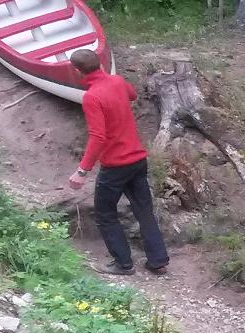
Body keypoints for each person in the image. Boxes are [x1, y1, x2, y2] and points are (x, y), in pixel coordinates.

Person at [65, 48, 168, 276]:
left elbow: (98, 137)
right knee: (144, 211)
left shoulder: (91, 97)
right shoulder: (117, 81)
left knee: (105, 213)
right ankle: (158, 261)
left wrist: (82, 171)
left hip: (115, 166)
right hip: (138, 160)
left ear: (77, 71)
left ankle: (123, 264)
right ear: (100, 64)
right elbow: (132, 95)